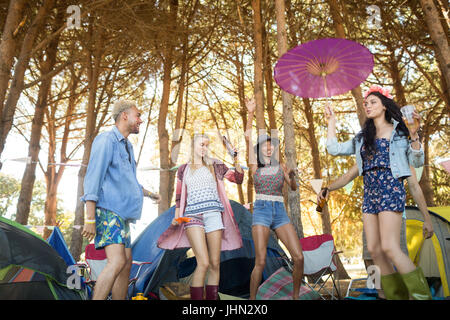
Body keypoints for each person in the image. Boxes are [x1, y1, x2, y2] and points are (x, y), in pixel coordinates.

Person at [324, 85, 432, 299]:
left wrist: (415, 135)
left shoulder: (400, 132)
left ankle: (422, 296)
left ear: (384, 106)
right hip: (370, 193)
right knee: (374, 249)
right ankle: (396, 297)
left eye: (373, 102)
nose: (368, 106)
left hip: (390, 188)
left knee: (390, 247)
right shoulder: (363, 137)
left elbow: (417, 160)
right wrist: (331, 121)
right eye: (366, 103)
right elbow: (333, 149)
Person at [81, 100, 160, 300]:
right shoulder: (106, 140)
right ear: (124, 115)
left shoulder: (127, 147)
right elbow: (93, 177)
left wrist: (151, 194)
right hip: (108, 210)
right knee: (116, 262)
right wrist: (90, 218)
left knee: (125, 264)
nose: (140, 120)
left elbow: (129, 182)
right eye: (137, 115)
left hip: (122, 215)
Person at [318, 164, 434, 299]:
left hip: (394, 215)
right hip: (372, 214)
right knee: (369, 258)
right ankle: (382, 294)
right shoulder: (367, 152)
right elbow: (348, 175)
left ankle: (408, 296)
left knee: (395, 256)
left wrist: (427, 218)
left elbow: (414, 186)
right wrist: (328, 188)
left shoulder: (398, 151)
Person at [157, 133, 244, 300]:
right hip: (192, 216)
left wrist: (235, 158)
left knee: (214, 263)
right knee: (203, 262)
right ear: (193, 146)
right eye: (201, 144)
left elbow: (238, 179)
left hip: (213, 215)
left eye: (206, 145)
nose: (204, 148)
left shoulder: (215, 165)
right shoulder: (183, 169)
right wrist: (177, 216)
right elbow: (179, 195)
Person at [245, 98, 304, 300]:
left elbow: (293, 187)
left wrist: (293, 176)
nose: (268, 148)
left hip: (279, 212)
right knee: (260, 261)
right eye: (265, 146)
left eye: (271, 146)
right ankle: (252, 301)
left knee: (299, 257)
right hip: (261, 210)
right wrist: (251, 112)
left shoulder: (281, 167)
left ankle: (295, 297)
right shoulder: (254, 165)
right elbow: (248, 137)